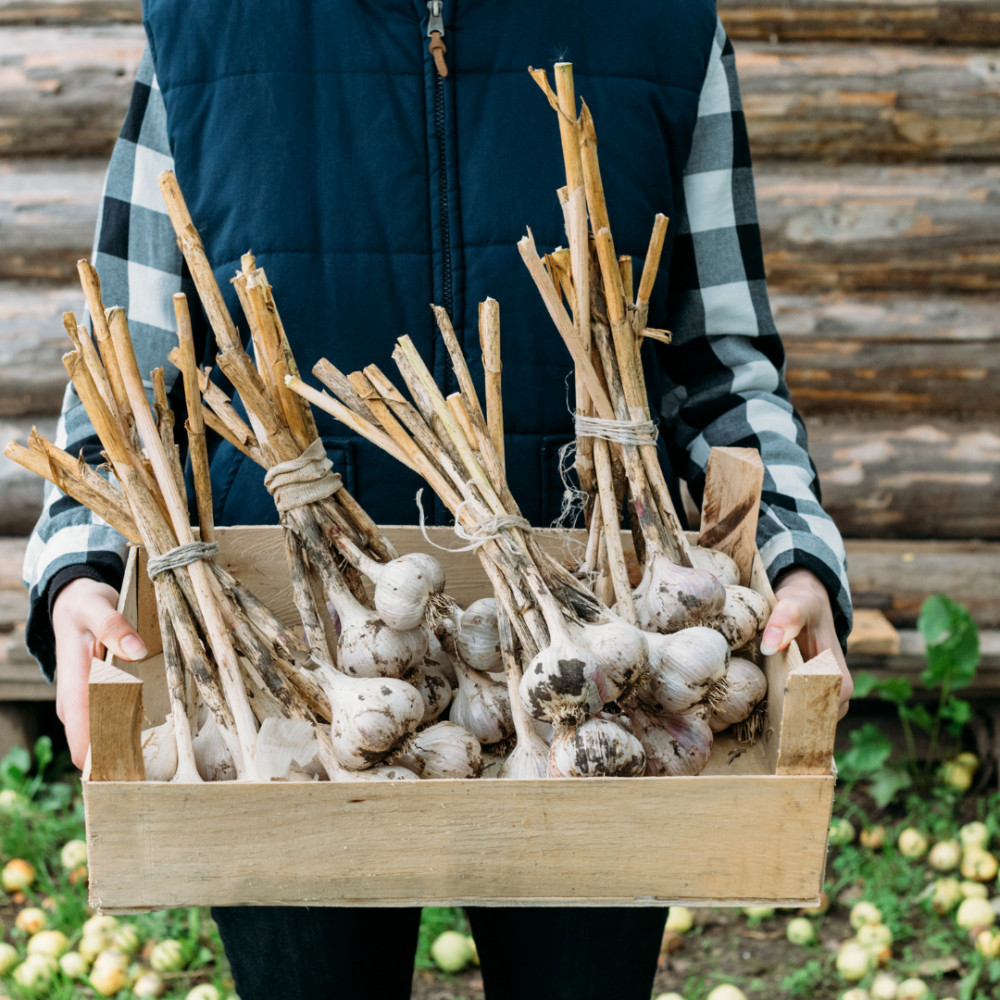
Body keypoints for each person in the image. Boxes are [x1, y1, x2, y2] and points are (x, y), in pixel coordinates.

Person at [23, 3, 853, 998]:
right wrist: (79, 565)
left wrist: (793, 550)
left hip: (603, 663)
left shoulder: (662, 22)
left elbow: (722, 365)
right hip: (289, 666)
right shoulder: (206, 24)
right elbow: (130, 379)